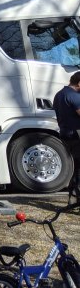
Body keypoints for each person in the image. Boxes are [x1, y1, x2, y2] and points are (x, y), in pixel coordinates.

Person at [53, 71, 80, 204]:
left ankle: (73, 197)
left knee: (76, 167)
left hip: (64, 134)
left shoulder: (59, 95)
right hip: (76, 134)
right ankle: (76, 196)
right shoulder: (74, 96)